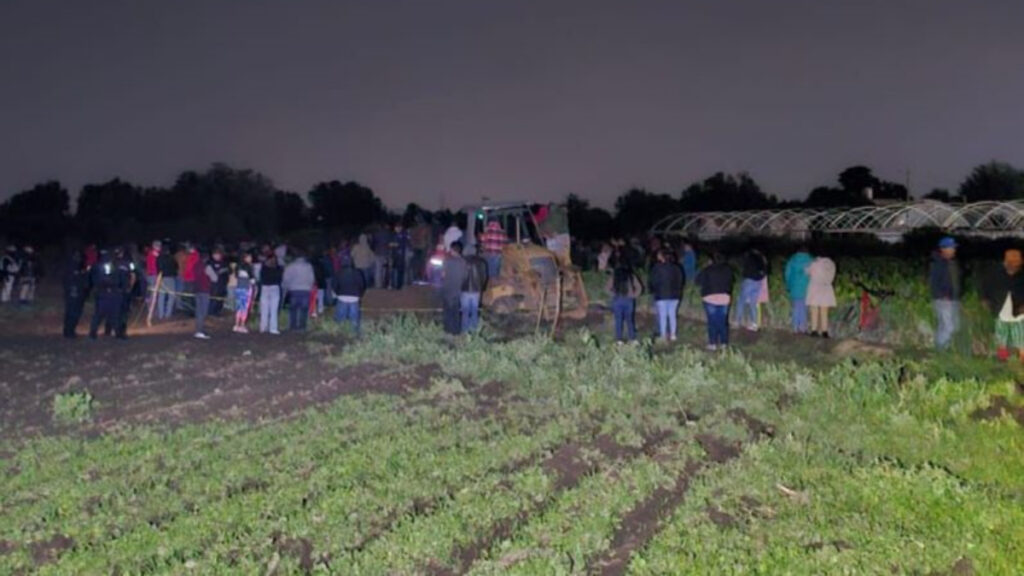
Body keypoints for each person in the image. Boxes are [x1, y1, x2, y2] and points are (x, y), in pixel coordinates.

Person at [982, 249, 1024, 362]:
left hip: (1019, 312)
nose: (1014, 267)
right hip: (1000, 310)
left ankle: (1021, 359)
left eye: (1017, 264)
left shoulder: (1021, 277)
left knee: (1020, 338)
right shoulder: (996, 274)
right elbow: (987, 288)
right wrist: (985, 300)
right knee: (1001, 337)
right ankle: (1002, 358)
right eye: (1012, 264)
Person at [929, 237, 961, 350]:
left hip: (953, 299)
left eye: (953, 248)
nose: (953, 250)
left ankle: (940, 347)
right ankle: (941, 350)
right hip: (943, 300)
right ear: (943, 249)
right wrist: (942, 296)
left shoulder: (951, 263)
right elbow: (933, 282)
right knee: (948, 326)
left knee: (951, 326)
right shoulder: (938, 264)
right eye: (951, 248)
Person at [697, 253, 734, 351]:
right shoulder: (728, 269)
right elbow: (732, 281)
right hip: (724, 298)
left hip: (710, 298)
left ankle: (712, 343)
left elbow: (698, 281)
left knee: (712, 321)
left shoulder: (708, 269)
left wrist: (705, 267)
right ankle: (724, 343)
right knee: (722, 321)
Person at [88, 250, 127, 340]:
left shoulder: (110, 266)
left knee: (114, 314)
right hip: (106, 293)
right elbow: (103, 280)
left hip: (110, 293)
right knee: (102, 314)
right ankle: (93, 333)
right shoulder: (104, 266)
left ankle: (117, 333)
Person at [649, 249, 684, 342]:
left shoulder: (657, 268)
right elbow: (681, 281)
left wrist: (653, 290)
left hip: (661, 295)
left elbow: (653, 281)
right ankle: (673, 334)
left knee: (663, 316)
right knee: (672, 315)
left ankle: (663, 335)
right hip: (675, 295)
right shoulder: (677, 268)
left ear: (663, 257)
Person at [607, 256, 643, 343]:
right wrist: (633, 295)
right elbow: (639, 288)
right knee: (630, 319)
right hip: (629, 300)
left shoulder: (614, 276)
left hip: (617, 300)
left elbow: (607, 288)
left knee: (618, 320)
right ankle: (632, 338)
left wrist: (614, 294)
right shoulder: (631, 276)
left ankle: (619, 339)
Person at [333, 256, 367, 335]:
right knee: (354, 318)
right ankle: (354, 334)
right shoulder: (357, 273)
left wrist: (338, 293)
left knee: (340, 317)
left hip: (342, 297)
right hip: (354, 297)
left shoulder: (339, 273)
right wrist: (360, 294)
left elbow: (334, 285)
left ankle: (339, 333)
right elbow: (362, 285)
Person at [282, 250, 315, 331]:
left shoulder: (290, 266)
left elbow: (286, 278)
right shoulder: (308, 266)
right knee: (304, 309)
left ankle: (292, 326)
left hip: (294, 290)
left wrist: (287, 287)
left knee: (293, 309)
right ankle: (302, 326)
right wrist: (310, 287)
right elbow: (312, 278)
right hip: (305, 290)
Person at [806, 254, 837, 338]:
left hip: (815, 288)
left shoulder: (815, 264)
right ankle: (825, 331)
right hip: (826, 288)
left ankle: (814, 330)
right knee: (824, 311)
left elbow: (807, 271)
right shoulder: (831, 264)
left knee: (814, 310)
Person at [784, 247, 814, 334]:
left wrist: (789, 286)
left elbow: (787, 274)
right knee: (804, 307)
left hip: (794, 286)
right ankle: (803, 327)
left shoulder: (792, 260)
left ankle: (795, 327)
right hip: (807, 287)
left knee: (796, 306)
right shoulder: (811, 260)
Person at [441, 241, 468, 335]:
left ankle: (447, 330)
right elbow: (465, 276)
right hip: (457, 289)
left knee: (447, 311)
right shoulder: (463, 262)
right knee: (455, 312)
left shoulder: (447, 261)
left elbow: (443, 275)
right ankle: (456, 331)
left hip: (448, 289)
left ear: (452, 250)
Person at [62, 251, 90, 339]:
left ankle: (69, 330)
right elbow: (72, 281)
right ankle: (69, 331)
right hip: (74, 293)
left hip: (76, 293)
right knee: (73, 312)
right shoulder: (73, 269)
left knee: (73, 312)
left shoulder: (78, 268)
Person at [738, 249, 768, 331]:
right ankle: (754, 324)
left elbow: (743, 267)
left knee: (741, 300)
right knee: (753, 303)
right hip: (758, 282)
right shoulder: (761, 258)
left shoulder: (748, 257)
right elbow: (765, 270)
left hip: (748, 280)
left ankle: (738, 321)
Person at [461, 249, 489, 333]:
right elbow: (484, 277)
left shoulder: (462, 261)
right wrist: (482, 287)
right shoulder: (482, 262)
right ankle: (474, 329)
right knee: (475, 311)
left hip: (464, 289)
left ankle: (465, 330)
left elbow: (460, 277)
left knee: (465, 311)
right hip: (477, 290)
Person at [258, 254, 283, 334]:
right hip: (274, 287)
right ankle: (273, 328)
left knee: (265, 309)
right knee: (273, 309)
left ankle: (263, 327)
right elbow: (280, 278)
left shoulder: (264, 268)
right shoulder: (278, 268)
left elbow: (261, 278)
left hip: (266, 287)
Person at [193, 248, 213, 340]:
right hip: (205, 290)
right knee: (203, 311)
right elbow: (215, 278)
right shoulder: (207, 267)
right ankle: (200, 331)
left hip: (197, 289)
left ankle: (199, 330)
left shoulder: (196, 265)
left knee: (198, 311)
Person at [233, 252, 255, 333]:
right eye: (249, 257)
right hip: (246, 288)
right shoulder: (249, 267)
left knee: (239, 307)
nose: (251, 259)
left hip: (239, 288)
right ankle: (242, 325)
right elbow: (252, 280)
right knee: (245, 307)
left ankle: (236, 324)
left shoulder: (238, 267)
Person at [156, 245, 179, 319]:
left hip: (162, 278)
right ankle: (168, 314)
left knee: (161, 296)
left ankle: (161, 314)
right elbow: (176, 267)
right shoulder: (172, 258)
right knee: (171, 296)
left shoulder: (159, 258)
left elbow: (158, 267)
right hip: (171, 278)